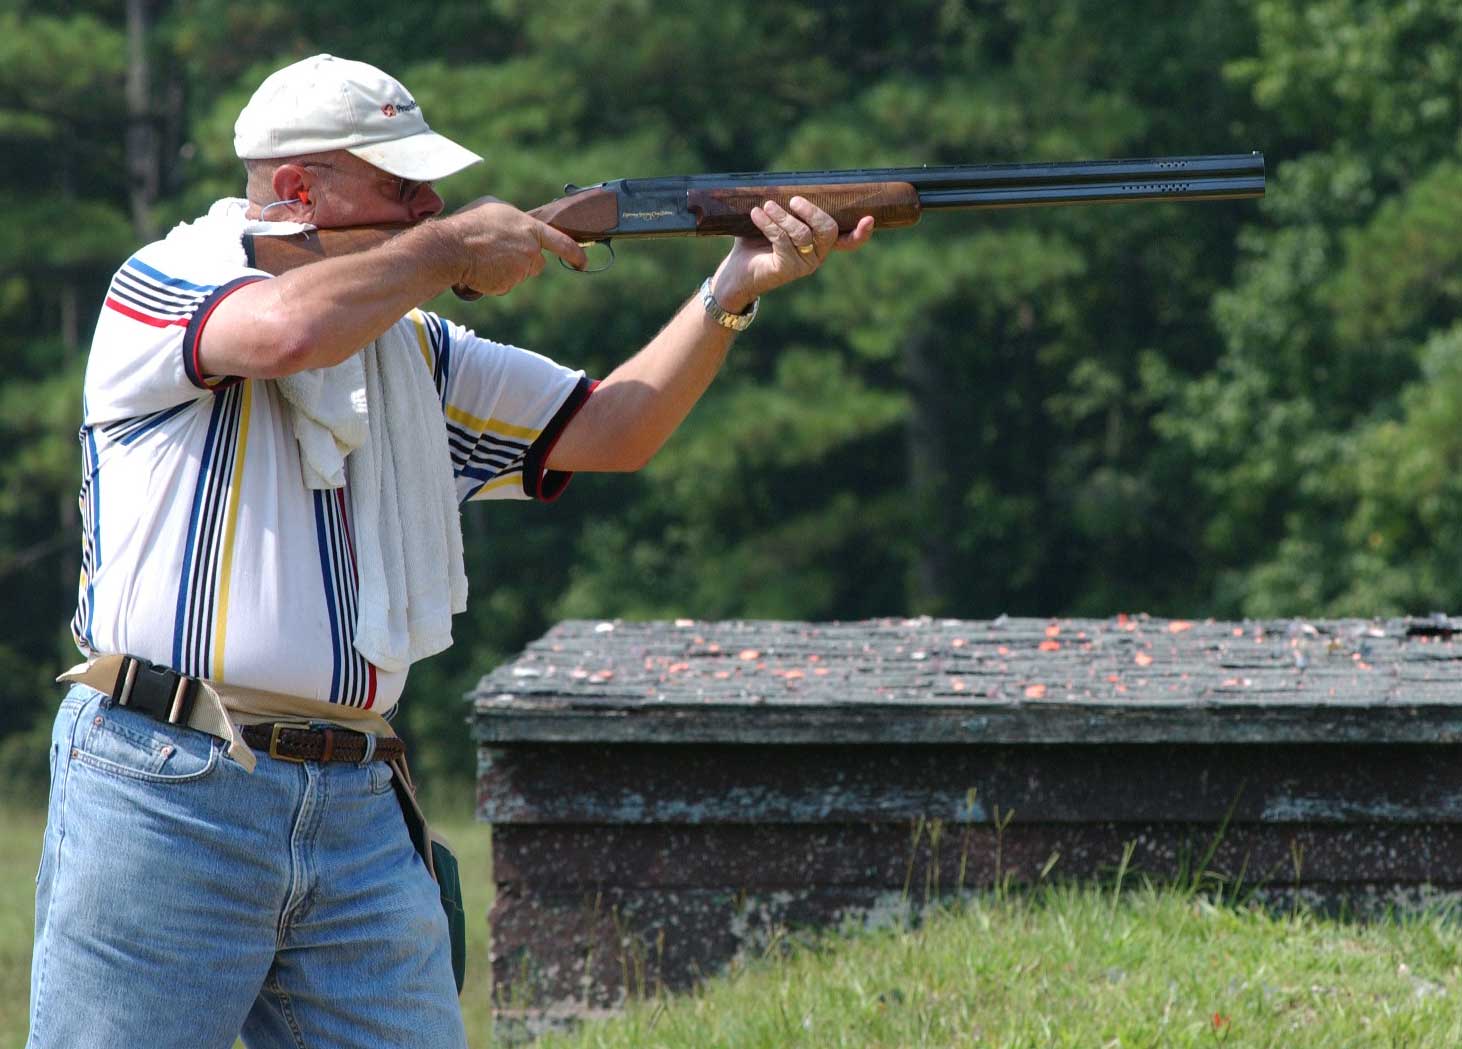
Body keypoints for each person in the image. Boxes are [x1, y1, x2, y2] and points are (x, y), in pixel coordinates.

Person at [27, 53, 872, 1049]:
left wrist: (734, 286)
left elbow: (612, 430)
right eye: (399, 187)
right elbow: (289, 331)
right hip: (171, 778)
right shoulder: (167, 281)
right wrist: (452, 246)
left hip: (355, 795)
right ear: (296, 189)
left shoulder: (409, 345)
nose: (430, 204)